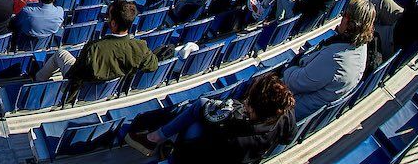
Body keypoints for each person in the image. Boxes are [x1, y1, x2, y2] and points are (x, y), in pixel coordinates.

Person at [126, 72, 297, 163]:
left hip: (200, 157)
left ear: (252, 105)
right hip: (245, 156)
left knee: (196, 114)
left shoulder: (234, 126)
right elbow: (288, 139)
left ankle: (154, 139)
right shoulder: (285, 114)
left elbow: (204, 108)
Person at [282, 0, 374, 119]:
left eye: (344, 14)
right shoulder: (361, 46)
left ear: (348, 21)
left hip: (293, 108)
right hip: (311, 101)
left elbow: (294, 83)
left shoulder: (336, 59)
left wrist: (289, 67)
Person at [35, 0, 159, 83]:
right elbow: (153, 65)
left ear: (114, 24)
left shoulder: (94, 48)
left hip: (82, 86)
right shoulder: (140, 47)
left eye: (109, 17)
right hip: (105, 89)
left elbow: (75, 74)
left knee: (60, 54)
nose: (107, 19)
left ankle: (38, 80)